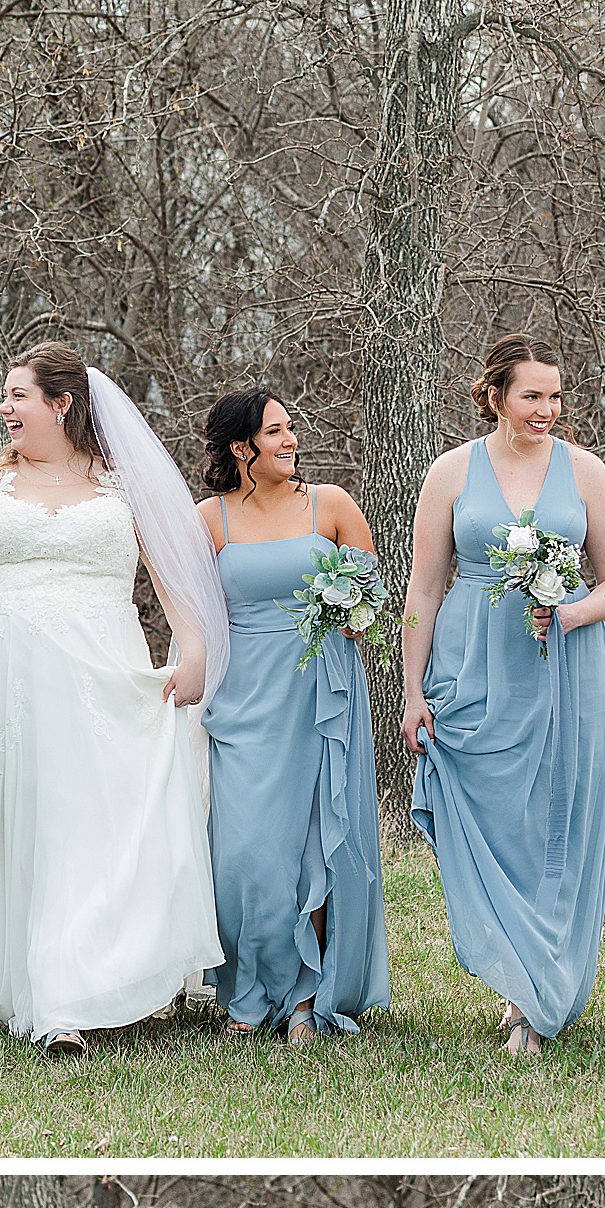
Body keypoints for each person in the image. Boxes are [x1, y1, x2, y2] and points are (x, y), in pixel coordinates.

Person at [0, 343, 226, 1055]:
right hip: (8, 675)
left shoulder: (123, 486)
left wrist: (195, 647)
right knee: (31, 820)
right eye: (5, 394)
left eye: (19, 395)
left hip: (101, 675)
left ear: (62, 405)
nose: (5, 408)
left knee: (88, 825)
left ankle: (72, 991)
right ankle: (37, 988)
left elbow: (172, 578)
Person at [402, 335, 605, 1057]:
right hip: (472, 664)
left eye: (555, 396)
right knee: (496, 821)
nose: (547, 409)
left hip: (567, 665)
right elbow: (425, 587)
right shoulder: (451, 471)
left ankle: (537, 994)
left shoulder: (586, 472)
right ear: (495, 395)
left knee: (557, 822)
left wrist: (568, 611)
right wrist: (411, 688)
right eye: (532, 395)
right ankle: (518, 971)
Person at [197, 388, 389, 1041]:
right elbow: (196, 621)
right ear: (240, 446)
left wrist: (353, 609)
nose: (290, 440)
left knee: (315, 846)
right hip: (244, 699)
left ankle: (307, 1000)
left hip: (320, 694)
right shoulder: (209, 519)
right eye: (275, 432)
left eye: (291, 428)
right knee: (246, 853)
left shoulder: (330, 505)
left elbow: (370, 606)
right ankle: (248, 994)